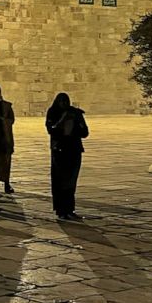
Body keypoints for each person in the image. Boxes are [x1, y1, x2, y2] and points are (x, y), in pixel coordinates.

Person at [45, 93, 89, 221]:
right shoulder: (53, 112)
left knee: (71, 181)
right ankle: (61, 209)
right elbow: (51, 130)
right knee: (60, 180)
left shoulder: (75, 113)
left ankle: (70, 209)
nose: (64, 104)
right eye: (61, 101)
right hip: (59, 150)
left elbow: (85, 133)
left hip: (74, 150)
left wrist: (78, 121)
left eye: (66, 101)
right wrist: (63, 119)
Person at [0, 85, 16, 194]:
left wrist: (3, 121)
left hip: (5, 138)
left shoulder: (6, 106)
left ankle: (6, 183)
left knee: (6, 162)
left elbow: (11, 119)